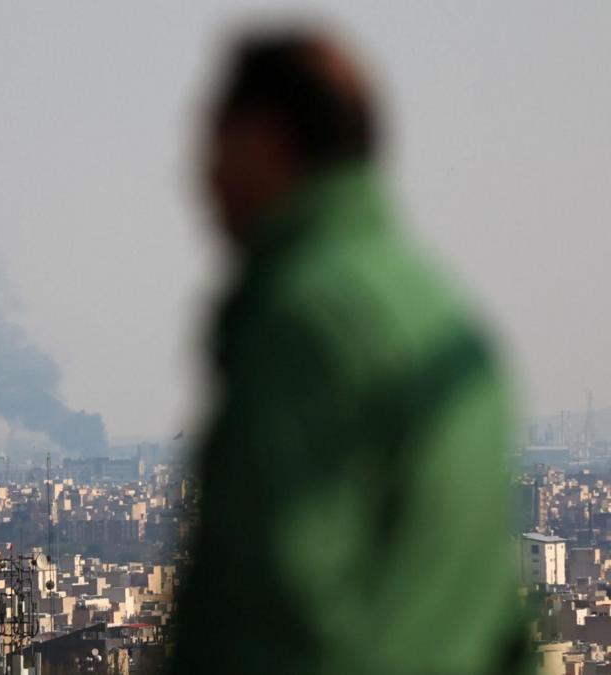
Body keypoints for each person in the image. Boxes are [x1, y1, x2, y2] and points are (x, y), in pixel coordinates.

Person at [172, 31, 529, 674]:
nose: (203, 175)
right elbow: (500, 624)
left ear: (266, 144)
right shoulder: (449, 326)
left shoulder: (301, 325)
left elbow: (273, 615)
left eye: (216, 141)